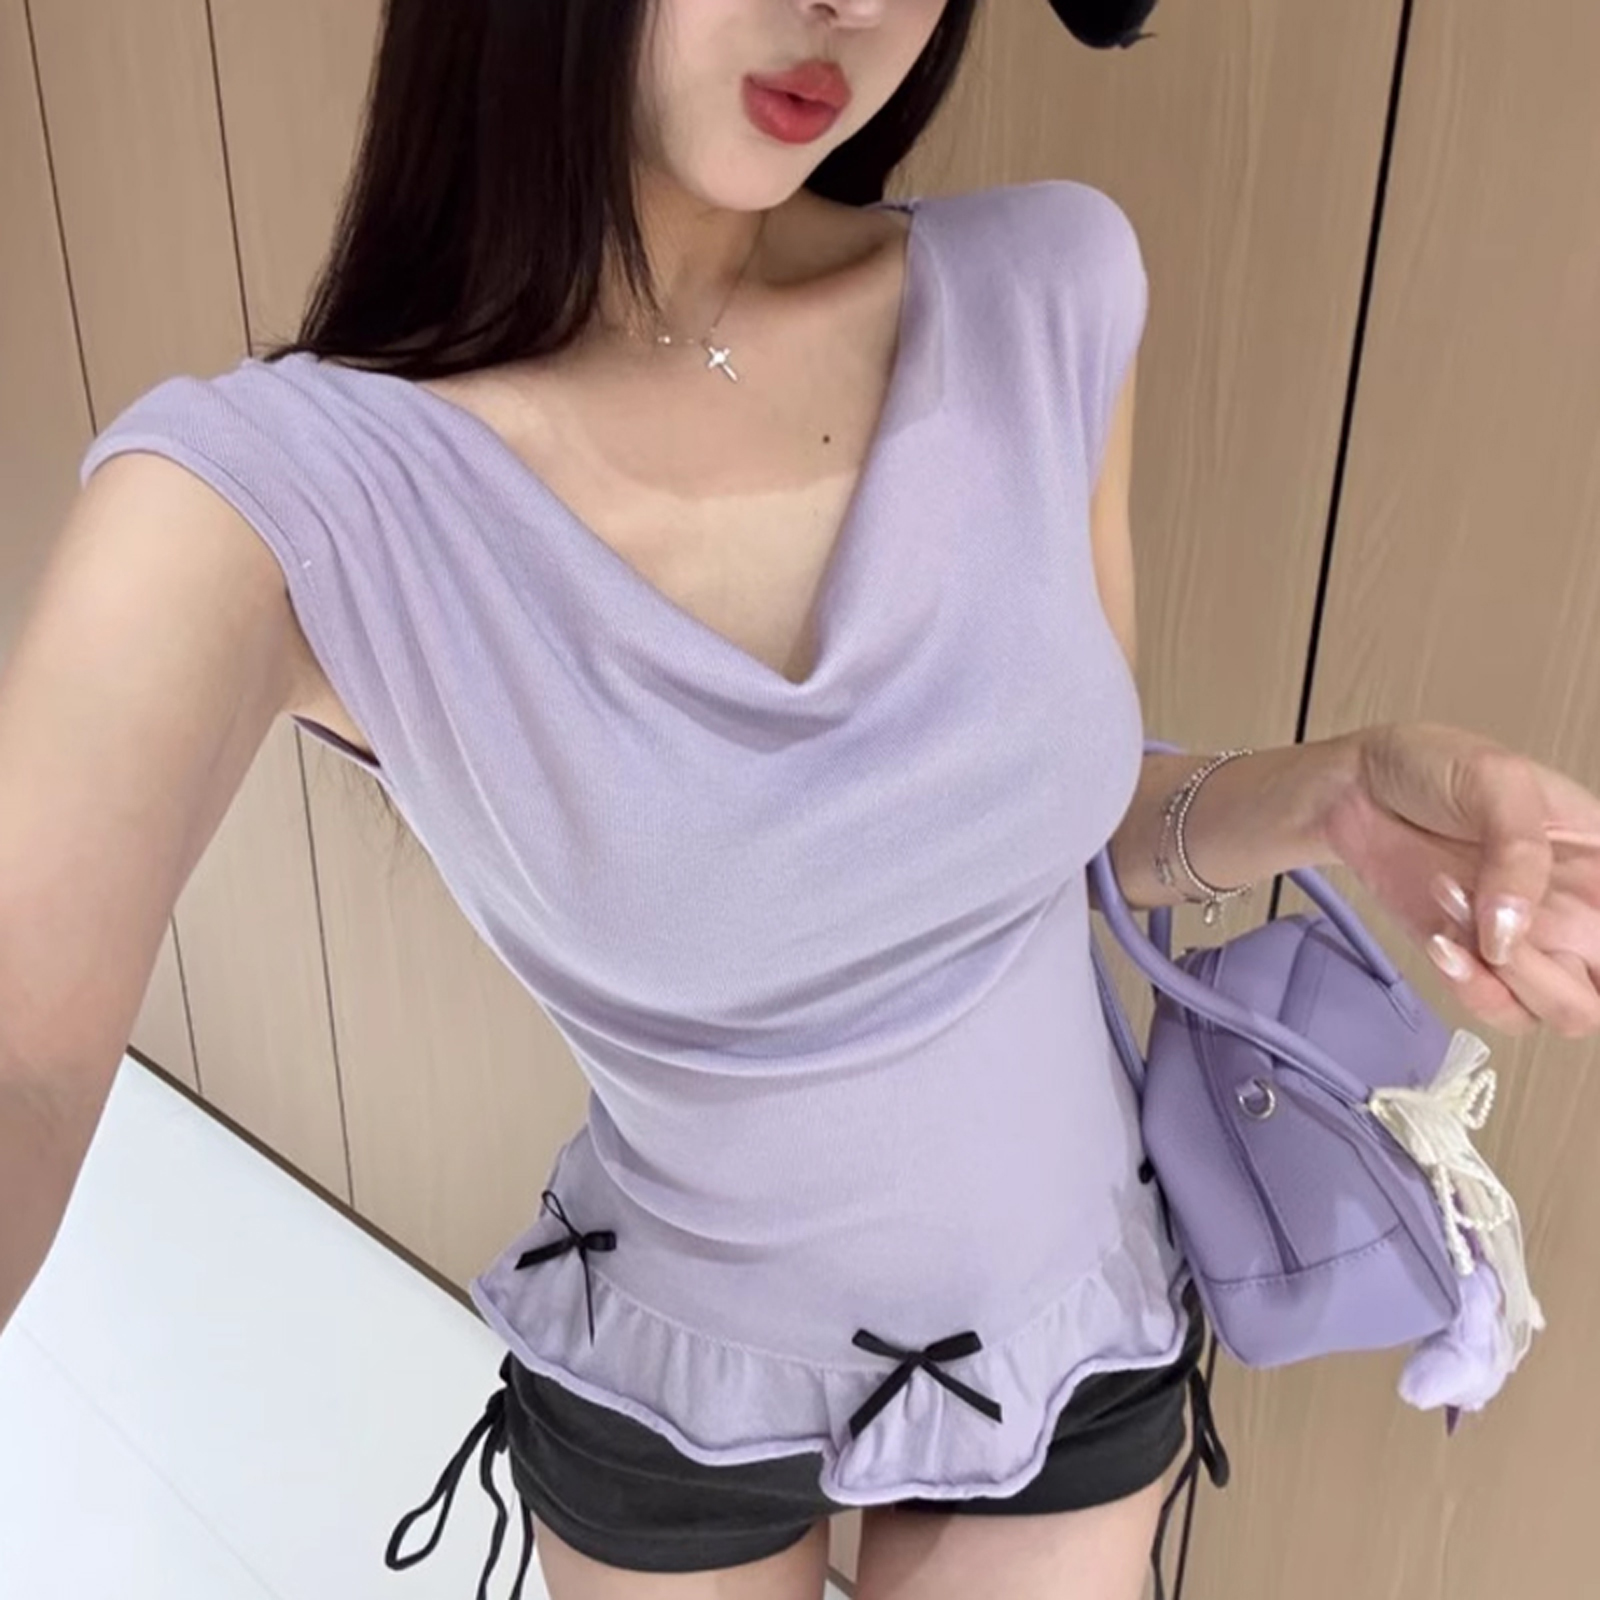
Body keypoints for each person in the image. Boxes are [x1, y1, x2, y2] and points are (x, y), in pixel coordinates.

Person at [5, 3, 1599, 1600]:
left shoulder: (1049, 289)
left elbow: (1054, 830)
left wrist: (1334, 796)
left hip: (1070, 1322)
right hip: (680, 1381)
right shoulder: (281, 496)